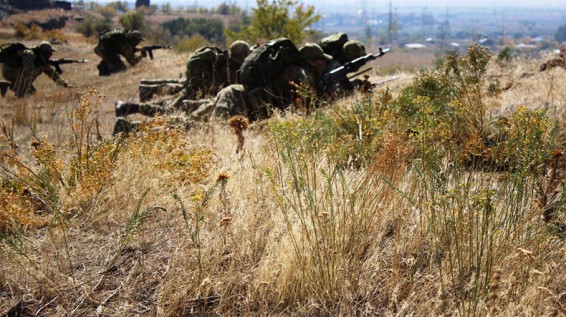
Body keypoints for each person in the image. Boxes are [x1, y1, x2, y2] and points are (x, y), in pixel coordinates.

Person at [118, 41, 251, 117]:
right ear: (242, 55)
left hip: (195, 89)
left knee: (170, 105)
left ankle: (128, 107)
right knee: (169, 112)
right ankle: (128, 108)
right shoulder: (227, 64)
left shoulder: (224, 60)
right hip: (195, 90)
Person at [0, 41, 70, 98]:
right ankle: (15, 88)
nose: (50, 55)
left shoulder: (40, 59)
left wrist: (64, 85)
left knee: (31, 92)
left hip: (15, 71)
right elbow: (28, 70)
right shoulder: (30, 54)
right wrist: (42, 68)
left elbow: (51, 73)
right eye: (49, 53)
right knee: (32, 73)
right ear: (43, 52)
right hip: (8, 71)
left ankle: (12, 88)